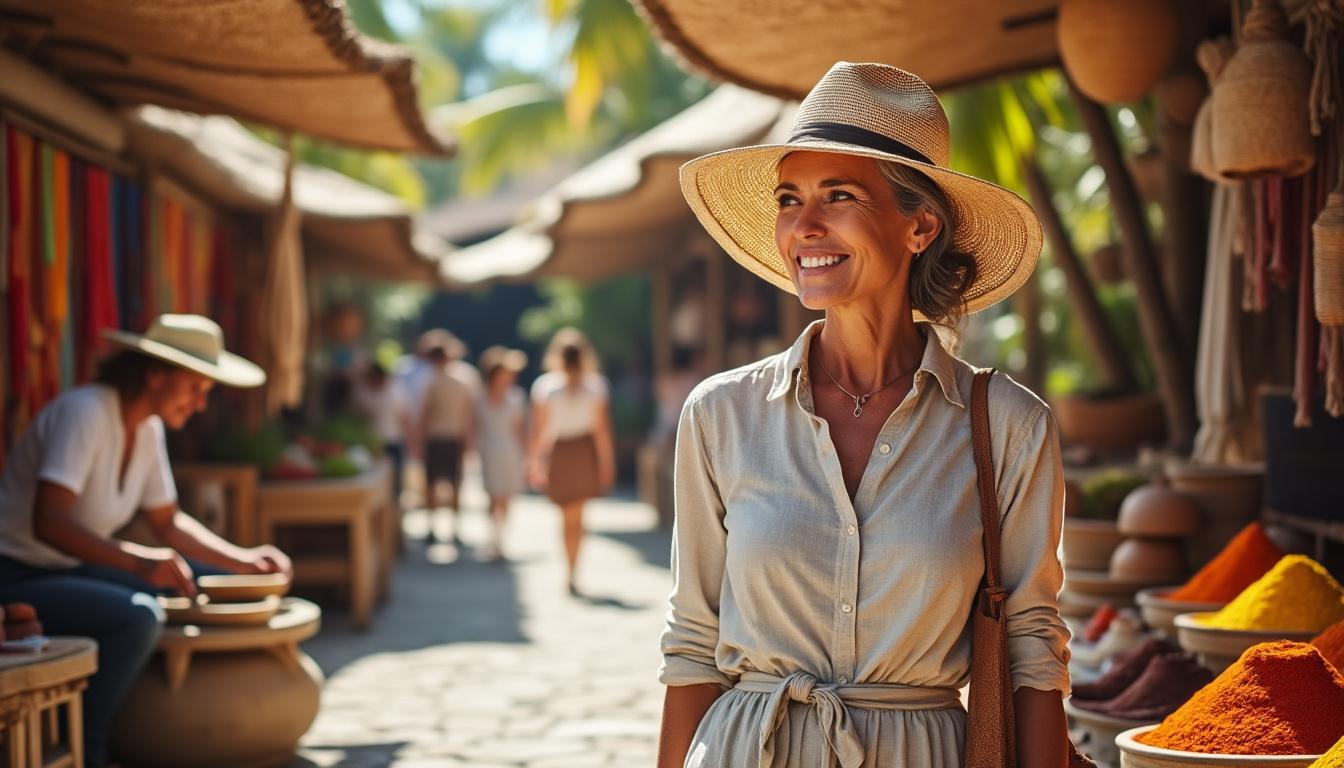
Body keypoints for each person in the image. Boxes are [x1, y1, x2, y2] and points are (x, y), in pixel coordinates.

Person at [656, 62, 1070, 768]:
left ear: (919, 226)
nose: (803, 226)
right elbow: (694, 642)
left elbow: (1031, 648)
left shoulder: (1010, 427)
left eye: (838, 196)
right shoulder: (721, 415)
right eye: (790, 200)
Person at [0, 314, 292, 768]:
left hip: (67, 569)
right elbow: (49, 523)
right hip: (17, 575)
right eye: (195, 387)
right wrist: (138, 563)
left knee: (204, 579)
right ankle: (92, 751)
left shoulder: (148, 427)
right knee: (138, 617)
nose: (200, 404)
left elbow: (167, 522)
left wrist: (244, 561)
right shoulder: (86, 412)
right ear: (154, 373)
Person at [526, 328, 615, 596]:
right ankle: (575, 569)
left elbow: (540, 432)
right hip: (584, 452)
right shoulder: (596, 386)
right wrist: (606, 465)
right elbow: (602, 432)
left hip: (561, 452)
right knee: (579, 516)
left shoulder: (545, 387)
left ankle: (570, 569)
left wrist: (535, 462)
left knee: (566, 516)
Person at [473, 346, 529, 561]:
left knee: (506, 496)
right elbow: (474, 426)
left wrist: (526, 456)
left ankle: (501, 538)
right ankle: (492, 536)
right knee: (492, 494)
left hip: (510, 451)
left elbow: (519, 429)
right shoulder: (480, 399)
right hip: (489, 449)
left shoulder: (516, 397)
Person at [419, 344, 475, 547]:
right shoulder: (447, 384)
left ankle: (441, 527)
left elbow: (425, 416)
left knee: (442, 485)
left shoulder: (436, 384)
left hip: (443, 439)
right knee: (447, 485)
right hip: (446, 439)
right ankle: (446, 527)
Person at [354, 362, 410, 510]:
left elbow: (404, 417)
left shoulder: (396, 391)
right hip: (370, 443)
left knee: (396, 485)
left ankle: (396, 519)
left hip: (393, 440)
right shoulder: (362, 392)